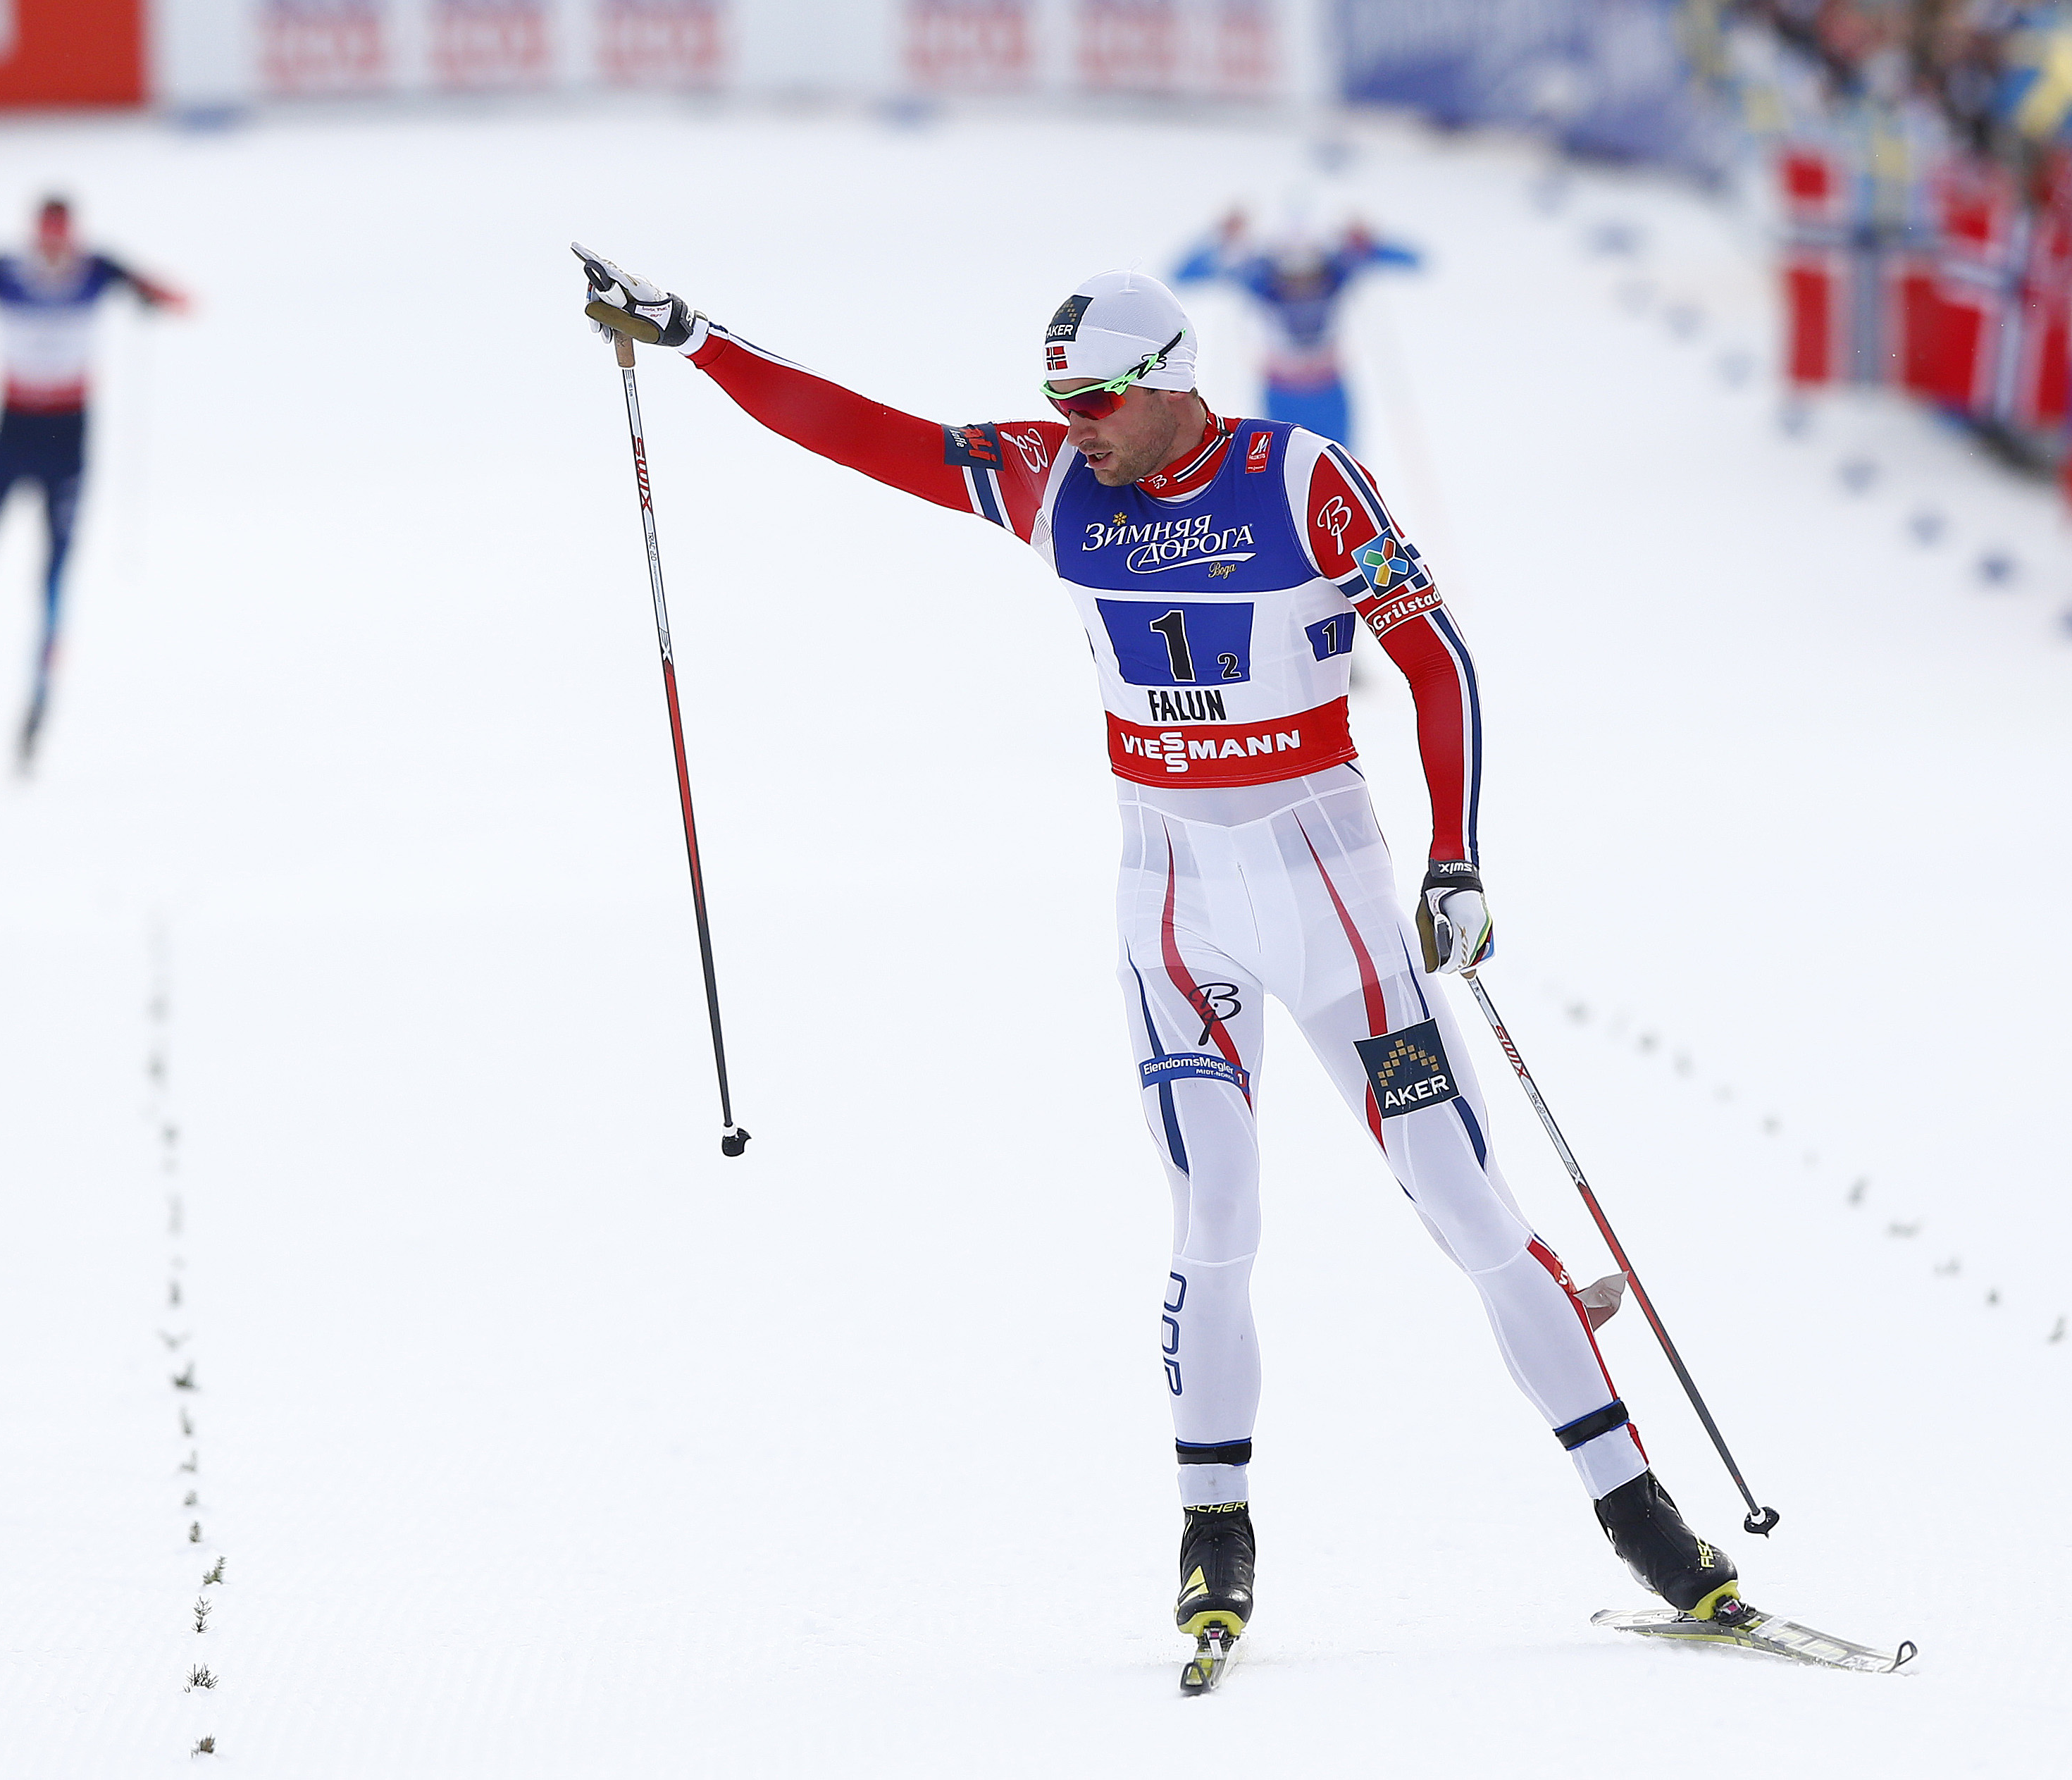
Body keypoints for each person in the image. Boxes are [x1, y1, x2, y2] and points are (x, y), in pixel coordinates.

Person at [573, 249, 1742, 1654]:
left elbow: (1438, 663)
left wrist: (1457, 857)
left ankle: (1637, 1513)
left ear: (1174, 383)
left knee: (1467, 1207)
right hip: (1171, 896)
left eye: (1102, 403)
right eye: (1059, 403)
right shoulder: (1055, 483)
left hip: (1332, 884)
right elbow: (862, 434)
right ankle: (1214, 1537)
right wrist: (700, 340)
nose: (1078, 430)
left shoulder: (1301, 477)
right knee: (1217, 1218)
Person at [0, 196, 187, 765]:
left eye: (61, 242)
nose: (53, 253)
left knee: (52, 579)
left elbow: (181, 299)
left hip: (69, 437)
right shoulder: (1, 271)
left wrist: (150, 299)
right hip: (12, 431)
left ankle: (38, 708)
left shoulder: (100, 269)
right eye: (45, 241)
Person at [1170, 213, 1418, 450]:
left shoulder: (1337, 273)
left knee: (1340, 469)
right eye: (1290, 275)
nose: (1301, 283)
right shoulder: (1258, 278)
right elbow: (1183, 275)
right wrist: (1220, 237)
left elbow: (1413, 260)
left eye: (1311, 273)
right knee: (1283, 471)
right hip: (1282, 395)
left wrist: (1370, 241)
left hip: (1330, 395)